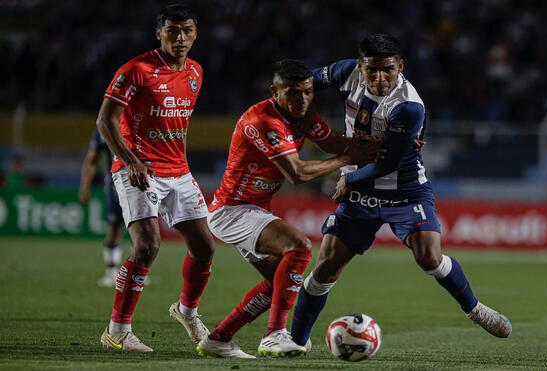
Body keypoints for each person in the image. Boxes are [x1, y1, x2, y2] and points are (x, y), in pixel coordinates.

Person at [290, 34, 512, 349]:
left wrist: (348, 180)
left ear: (400, 67)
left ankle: (475, 310)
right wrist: (302, 114)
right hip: (360, 190)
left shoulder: (407, 106)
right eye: (372, 71)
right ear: (360, 67)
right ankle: (297, 343)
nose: (380, 78)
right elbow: (305, 83)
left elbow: (388, 163)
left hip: (404, 188)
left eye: (388, 70)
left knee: (429, 257)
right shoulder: (345, 72)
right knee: (326, 267)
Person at [195, 59, 383, 359]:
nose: (303, 100)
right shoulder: (263, 121)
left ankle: (219, 339)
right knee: (299, 247)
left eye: (308, 92)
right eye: (293, 93)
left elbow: (332, 142)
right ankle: (273, 336)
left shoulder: (304, 114)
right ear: (275, 91)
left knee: (277, 284)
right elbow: (296, 174)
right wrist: (348, 160)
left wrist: (381, 145)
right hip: (232, 209)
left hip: (252, 209)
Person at [96, 4, 216, 352]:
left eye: (188, 31)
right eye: (173, 31)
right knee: (147, 245)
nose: (180, 38)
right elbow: (105, 120)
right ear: (159, 33)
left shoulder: (196, 71)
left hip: (178, 171)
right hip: (139, 170)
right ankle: (116, 331)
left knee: (205, 247)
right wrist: (129, 159)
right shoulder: (137, 69)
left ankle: (186, 311)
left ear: (196, 33)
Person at [78, 130, 125, 288]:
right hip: (115, 186)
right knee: (113, 229)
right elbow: (92, 160)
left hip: (142, 184)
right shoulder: (104, 130)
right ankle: (111, 274)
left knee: (144, 229)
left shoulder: (139, 121)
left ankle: (139, 274)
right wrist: (85, 186)